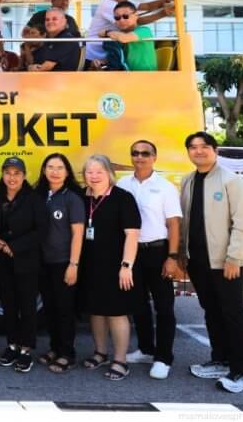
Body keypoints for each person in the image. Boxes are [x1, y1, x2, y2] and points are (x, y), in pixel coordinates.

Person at [179, 131, 243, 393]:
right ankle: (220, 359)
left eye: (204, 147)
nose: (198, 151)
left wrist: (235, 258)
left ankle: (241, 372)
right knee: (212, 312)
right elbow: (186, 224)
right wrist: (182, 256)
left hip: (228, 263)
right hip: (199, 263)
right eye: (193, 147)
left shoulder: (231, 181)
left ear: (215, 150)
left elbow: (242, 224)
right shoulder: (188, 181)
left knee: (233, 314)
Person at [118, 139, 182, 379]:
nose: (140, 157)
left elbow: (173, 224)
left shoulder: (165, 187)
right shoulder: (123, 184)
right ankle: (146, 349)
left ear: (154, 157)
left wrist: (172, 257)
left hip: (158, 251)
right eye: (135, 153)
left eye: (145, 153)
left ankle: (164, 358)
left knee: (164, 307)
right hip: (132, 252)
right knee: (138, 304)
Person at [79, 155, 141, 381]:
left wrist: (127, 265)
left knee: (116, 312)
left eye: (99, 172)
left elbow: (132, 234)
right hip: (89, 265)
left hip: (116, 265)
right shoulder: (82, 198)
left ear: (109, 174)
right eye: (89, 172)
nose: (93, 176)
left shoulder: (122, 198)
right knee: (96, 311)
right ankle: (100, 352)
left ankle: (120, 360)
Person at [0, 157, 48, 374]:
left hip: (26, 260)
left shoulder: (34, 199)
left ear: (24, 176)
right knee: (8, 304)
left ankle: (26, 350)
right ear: (3, 175)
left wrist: (14, 246)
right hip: (1, 261)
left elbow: (42, 230)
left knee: (27, 306)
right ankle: (12, 345)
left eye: (17, 173)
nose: (12, 177)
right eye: (8, 173)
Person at [34, 153, 86, 374]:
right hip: (42, 262)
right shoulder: (39, 195)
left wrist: (73, 265)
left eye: (59, 167)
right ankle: (55, 348)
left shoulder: (72, 198)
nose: (54, 171)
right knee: (50, 308)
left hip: (64, 262)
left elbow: (78, 233)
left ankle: (68, 354)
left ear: (67, 172)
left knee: (65, 309)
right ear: (44, 170)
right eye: (50, 167)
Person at [86, 0, 173, 66]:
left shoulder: (140, 29)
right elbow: (136, 21)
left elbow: (147, 6)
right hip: (95, 53)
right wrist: (163, 13)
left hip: (112, 48)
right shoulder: (108, 4)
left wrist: (167, 0)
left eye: (126, 15)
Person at [103, 1, 158, 71]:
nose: (121, 20)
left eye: (126, 16)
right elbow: (121, 57)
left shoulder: (144, 30)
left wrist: (107, 32)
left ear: (136, 16)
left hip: (146, 76)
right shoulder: (121, 36)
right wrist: (103, 62)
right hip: (130, 75)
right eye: (117, 17)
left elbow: (124, 38)